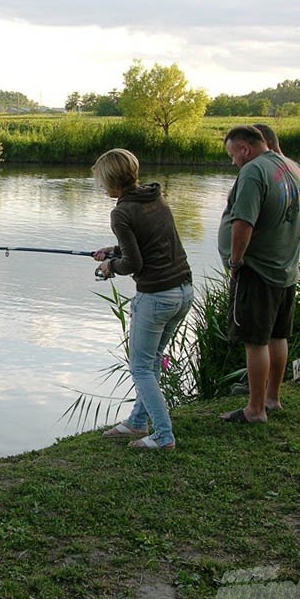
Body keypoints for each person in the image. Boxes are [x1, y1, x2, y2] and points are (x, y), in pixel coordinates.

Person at [92, 148, 194, 450]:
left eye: (101, 180)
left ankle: (164, 436)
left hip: (157, 296)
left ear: (112, 180)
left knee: (140, 367)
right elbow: (151, 242)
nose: (100, 186)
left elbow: (134, 264)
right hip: (184, 290)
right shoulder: (154, 197)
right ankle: (137, 421)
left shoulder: (121, 211)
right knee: (150, 364)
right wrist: (115, 250)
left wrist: (111, 266)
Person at [217, 125, 300, 423]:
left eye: (232, 154)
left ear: (245, 148)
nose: (233, 161)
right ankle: (272, 398)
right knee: (278, 335)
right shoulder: (289, 165)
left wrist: (235, 262)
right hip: (285, 267)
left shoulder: (253, 172)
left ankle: (255, 409)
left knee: (255, 340)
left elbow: (242, 223)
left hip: (258, 270)